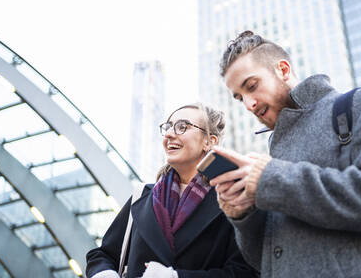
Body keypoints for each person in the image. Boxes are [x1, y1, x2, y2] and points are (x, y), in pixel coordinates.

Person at [210, 31, 361, 277]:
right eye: (240, 98)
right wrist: (244, 216)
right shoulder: (272, 157)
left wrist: (270, 179)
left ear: (282, 70)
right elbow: (266, 261)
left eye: (252, 86)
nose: (249, 104)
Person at [86, 103, 258, 278]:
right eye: (167, 127)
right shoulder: (143, 196)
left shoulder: (233, 198)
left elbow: (245, 272)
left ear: (209, 141)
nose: (168, 134)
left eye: (182, 127)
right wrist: (104, 273)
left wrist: (177, 277)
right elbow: (102, 255)